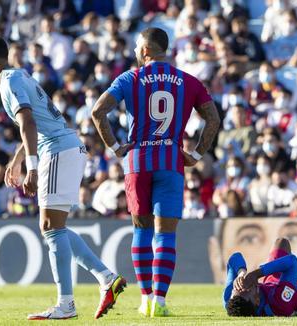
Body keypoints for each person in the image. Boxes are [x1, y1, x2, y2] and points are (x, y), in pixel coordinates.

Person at [0, 35, 125, 320]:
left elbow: (29, 122)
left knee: (49, 226)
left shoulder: (9, 82)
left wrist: (31, 166)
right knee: (55, 227)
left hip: (58, 150)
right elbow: (35, 122)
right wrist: (18, 158)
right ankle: (106, 278)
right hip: (65, 146)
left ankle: (66, 304)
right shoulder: (19, 76)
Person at [91, 27, 220, 317]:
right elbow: (213, 118)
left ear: (146, 51)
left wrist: (114, 147)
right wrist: (197, 154)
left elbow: (98, 111)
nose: (135, 52)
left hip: (137, 161)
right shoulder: (188, 81)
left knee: (141, 229)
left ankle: (145, 298)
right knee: (165, 235)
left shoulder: (129, 78)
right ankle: (159, 302)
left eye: (137, 47)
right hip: (171, 161)